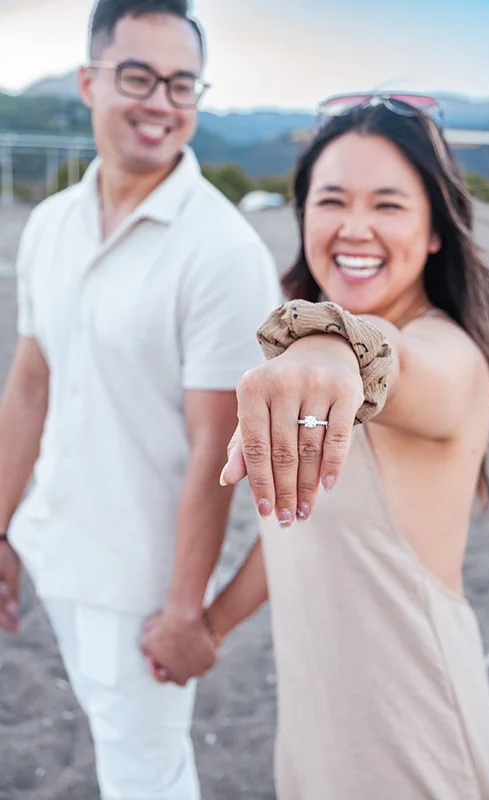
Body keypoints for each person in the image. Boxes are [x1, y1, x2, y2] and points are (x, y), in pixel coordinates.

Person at [162, 96, 489, 798]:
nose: (354, 227)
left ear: (432, 233)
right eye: (330, 200)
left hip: (410, 741)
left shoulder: (446, 356)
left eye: (388, 205)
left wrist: (338, 345)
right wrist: (209, 626)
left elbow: (396, 361)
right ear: (303, 217)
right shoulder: (308, 377)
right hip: (315, 730)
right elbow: (292, 523)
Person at [0, 0, 279, 797]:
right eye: (137, 76)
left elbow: (212, 448)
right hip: (50, 545)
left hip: (140, 586)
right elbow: (30, 382)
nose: (160, 101)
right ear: (89, 82)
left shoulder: (220, 250)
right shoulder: (52, 223)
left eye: (182, 84)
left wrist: (186, 611)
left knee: (145, 781)